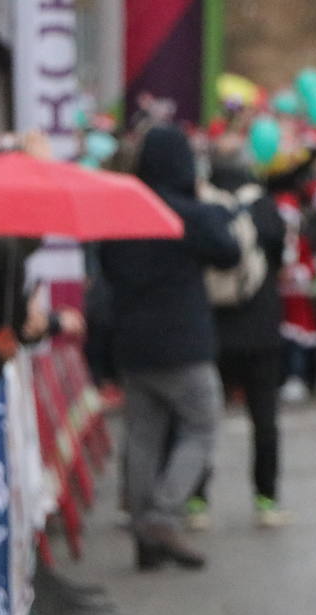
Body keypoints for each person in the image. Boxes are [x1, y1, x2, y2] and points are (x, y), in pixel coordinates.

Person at [99, 126, 240, 571]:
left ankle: (144, 531)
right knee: (201, 427)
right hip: (184, 342)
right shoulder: (188, 214)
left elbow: (106, 268)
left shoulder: (125, 214)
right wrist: (202, 204)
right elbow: (229, 252)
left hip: (133, 342)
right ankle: (162, 516)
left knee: (142, 436)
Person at [187, 153, 289, 530]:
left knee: (201, 421)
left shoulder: (200, 209)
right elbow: (279, 258)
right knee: (264, 419)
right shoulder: (264, 207)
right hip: (260, 328)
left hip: (211, 330)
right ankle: (266, 499)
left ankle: (197, 500)